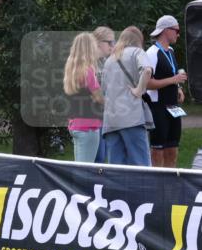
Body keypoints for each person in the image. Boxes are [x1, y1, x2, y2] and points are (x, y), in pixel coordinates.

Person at [101, 26, 153, 166]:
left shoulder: (109, 60)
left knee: (116, 169)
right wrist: (139, 90)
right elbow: (147, 70)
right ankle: (143, 189)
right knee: (141, 165)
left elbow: (104, 91)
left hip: (111, 121)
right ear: (138, 39)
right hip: (132, 118)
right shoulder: (137, 52)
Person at [144, 15, 188, 168]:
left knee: (173, 149)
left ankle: (170, 185)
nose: (178, 34)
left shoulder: (171, 51)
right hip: (158, 108)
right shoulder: (151, 53)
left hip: (173, 107)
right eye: (176, 30)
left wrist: (178, 89)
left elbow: (172, 75)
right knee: (157, 151)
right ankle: (157, 184)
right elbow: (146, 84)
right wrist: (173, 80)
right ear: (165, 31)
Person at [63, 32, 104, 162]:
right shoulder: (89, 71)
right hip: (89, 126)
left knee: (79, 168)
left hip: (75, 124)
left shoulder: (72, 70)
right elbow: (99, 97)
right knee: (85, 171)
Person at [91, 26, 115, 163]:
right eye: (110, 42)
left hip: (104, 115)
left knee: (102, 157)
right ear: (99, 42)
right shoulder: (88, 62)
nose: (113, 45)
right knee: (97, 158)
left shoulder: (106, 61)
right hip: (91, 117)